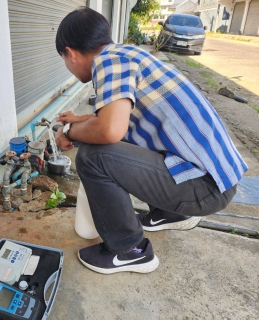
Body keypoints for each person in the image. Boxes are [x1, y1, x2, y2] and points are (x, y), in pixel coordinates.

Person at [54, 7, 247, 274]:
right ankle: (171, 213)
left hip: (205, 189)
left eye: (64, 59)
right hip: (217, 179)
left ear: (71, 53)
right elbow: (115, 119)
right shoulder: (128, 55)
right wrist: (79, 120)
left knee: (93, 156)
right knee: (128, 139)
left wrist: (70, 135)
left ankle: (128, 250)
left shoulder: (107, 62)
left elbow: (110, 131)